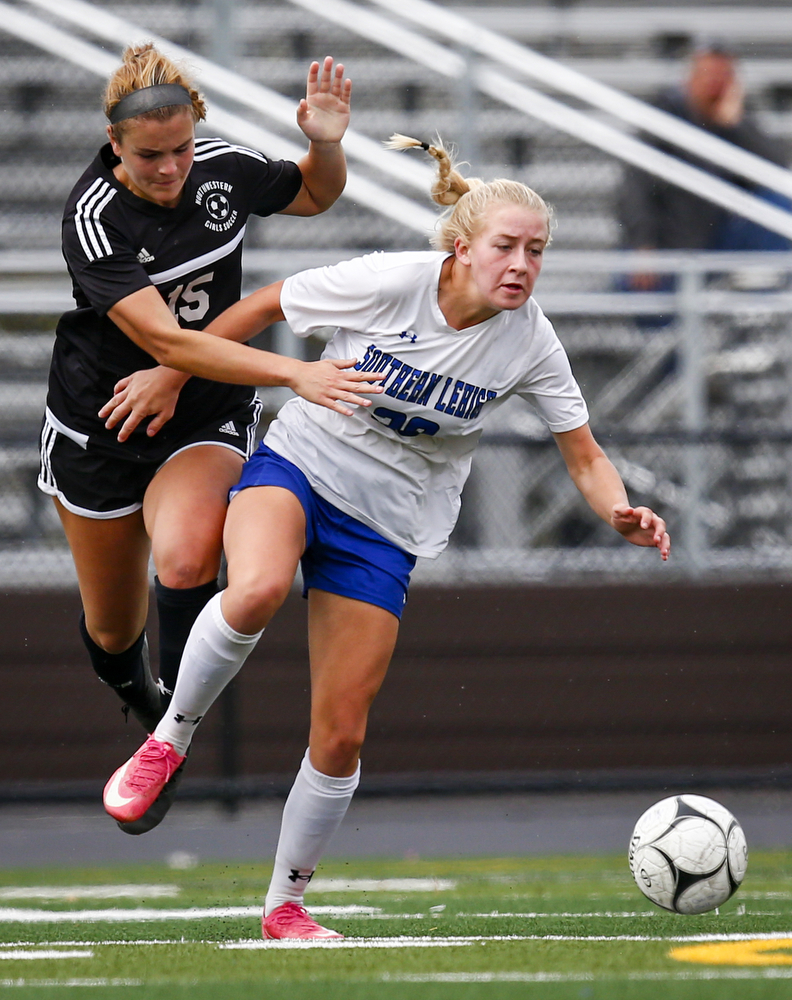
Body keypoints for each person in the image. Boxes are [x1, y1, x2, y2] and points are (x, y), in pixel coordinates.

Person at [101, 133, 671, 938]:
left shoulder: (531, 340)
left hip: (387, 523)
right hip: (300, 466)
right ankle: (169, 739)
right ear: (461, 246)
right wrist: (173, 368)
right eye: (505, 247)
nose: (521, 265)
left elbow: (584, 456)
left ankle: (285, 907)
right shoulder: (391, 280)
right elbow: (266, 302)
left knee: (340, 732)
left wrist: (617, 509)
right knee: (257, 587)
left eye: (536, 251)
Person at [38, 43, 380, 835]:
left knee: (190, 557)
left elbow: (314, 196)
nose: (170, 169)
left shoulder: (222, 167)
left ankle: (170, 738)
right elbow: (174, 344)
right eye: (150, 156)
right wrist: (293, 374)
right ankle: (146, 701)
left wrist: (325, 143)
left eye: (182, 149)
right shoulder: (93, 219)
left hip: (200, 416)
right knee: (114, 629)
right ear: (115, 146)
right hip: (101, 427)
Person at [619, 38, 790, 275]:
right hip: (668, 246)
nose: (715, 83)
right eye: (708, 73)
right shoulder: (663, 119)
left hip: (718, 243)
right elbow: (635, 187)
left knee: (783, 205)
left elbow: (776, 173)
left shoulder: (735, 123)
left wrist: (736, 125)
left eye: (723, 75)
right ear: (690, 77)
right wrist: (642, 243)